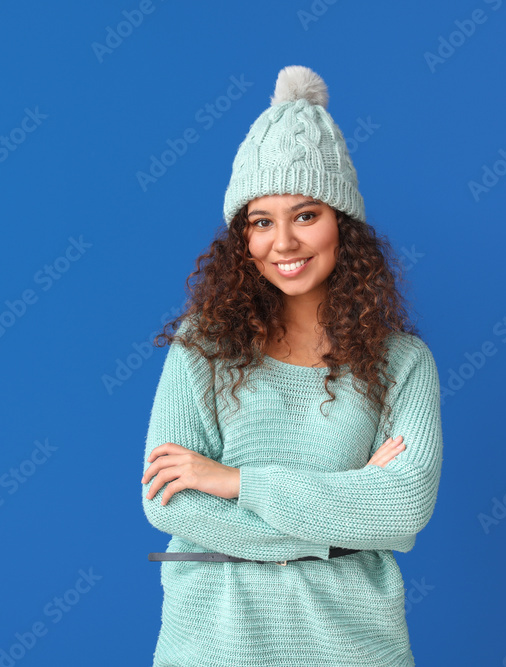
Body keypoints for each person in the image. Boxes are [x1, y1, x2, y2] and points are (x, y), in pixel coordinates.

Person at [140, 64, 444, 667]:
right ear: (242, 240)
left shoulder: (402, 364)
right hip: (215, 643)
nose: (283, 242)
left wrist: (236, 482)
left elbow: (404, 508)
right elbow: (167, 502)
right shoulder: (202, 347)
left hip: (352, 644)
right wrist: (349, 517)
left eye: (306, 215)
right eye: (261, 222)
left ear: (342, 225)